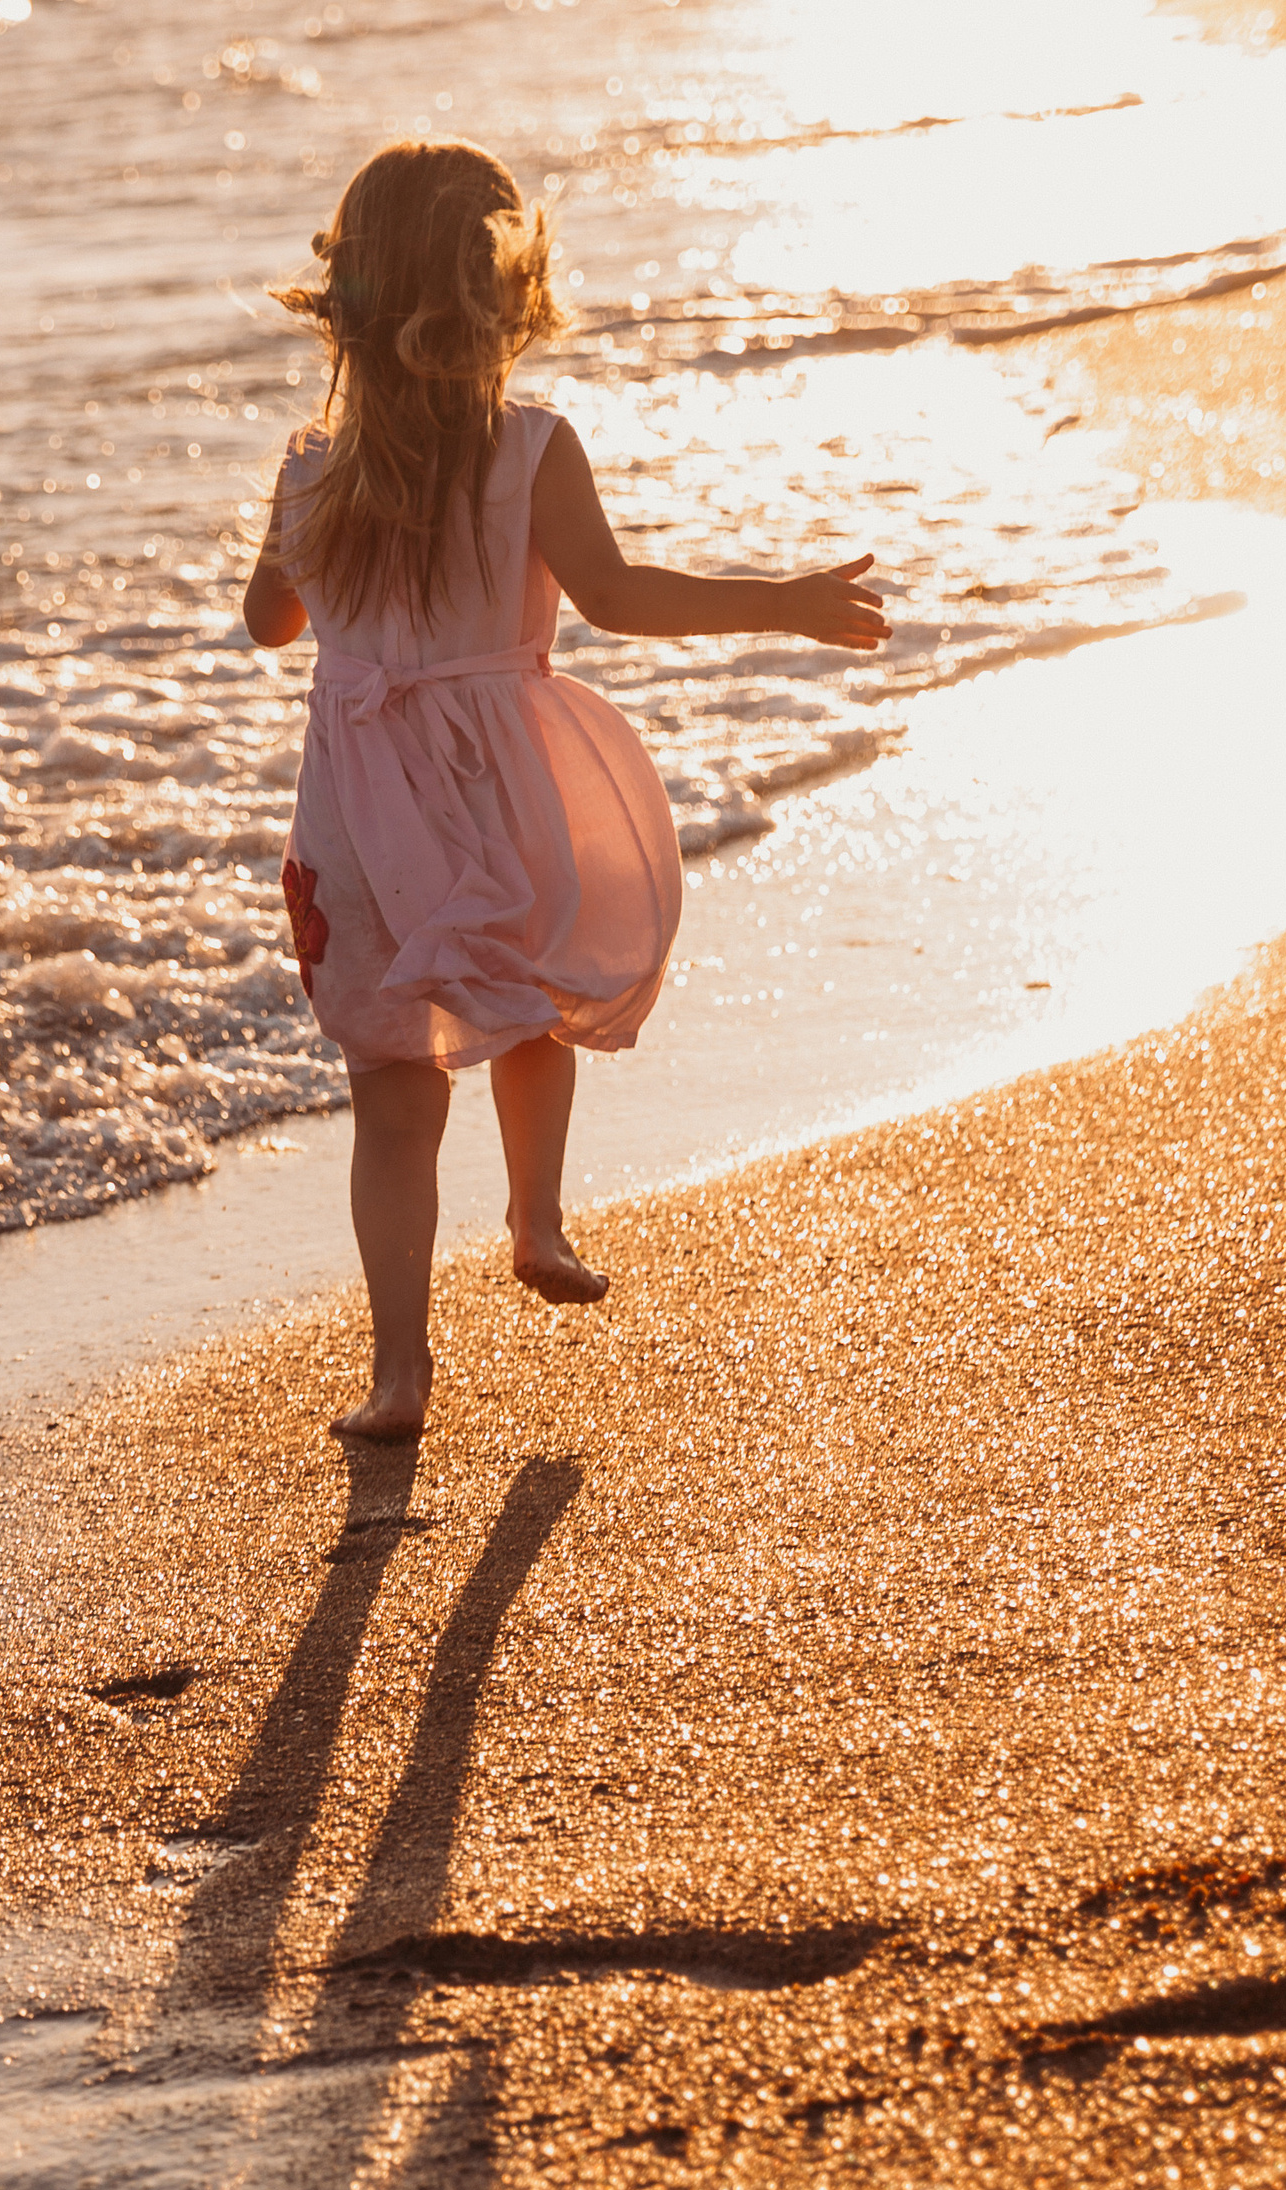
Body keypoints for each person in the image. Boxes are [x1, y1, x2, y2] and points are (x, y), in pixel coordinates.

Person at [241, 138, 890, 1439]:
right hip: (502, 780)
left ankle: (399, 1377)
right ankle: (536, 1220)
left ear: (349, 305)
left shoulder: (314, 465)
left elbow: (268, 624)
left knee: (392, 1086)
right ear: (509, 295)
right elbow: (618, 598)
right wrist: (783, 601)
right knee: (529, 993)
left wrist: (317, 555)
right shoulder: (533, 449)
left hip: (363, 806)